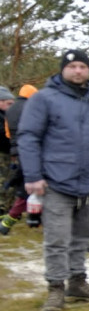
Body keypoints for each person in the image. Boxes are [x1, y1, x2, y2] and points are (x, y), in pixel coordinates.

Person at [17, 49, 89, 311]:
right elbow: (28, 138)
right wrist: (33, 176)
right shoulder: (43, 100)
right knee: (57, 238)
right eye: (72, 66)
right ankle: (55, 288)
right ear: (63, 69)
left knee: (83, 235)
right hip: (55, 182)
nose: (77, 71)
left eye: (82, 66)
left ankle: (77, 281)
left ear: (88, 71)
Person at [1, 84, 38, 234]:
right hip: (28, 150)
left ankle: (11, 215)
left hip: (15, 150)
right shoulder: (30, 109)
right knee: (28, 184)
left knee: (20, 182)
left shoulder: (11, 111)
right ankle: (11, 217)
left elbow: (8, 133)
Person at [0, 85, 15, 215]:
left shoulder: (7, 116)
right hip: (3, 153)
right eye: (9, 103)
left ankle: (8, 207)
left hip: (9, 153)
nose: (12, 106)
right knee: (4, 181)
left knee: (9, 180)